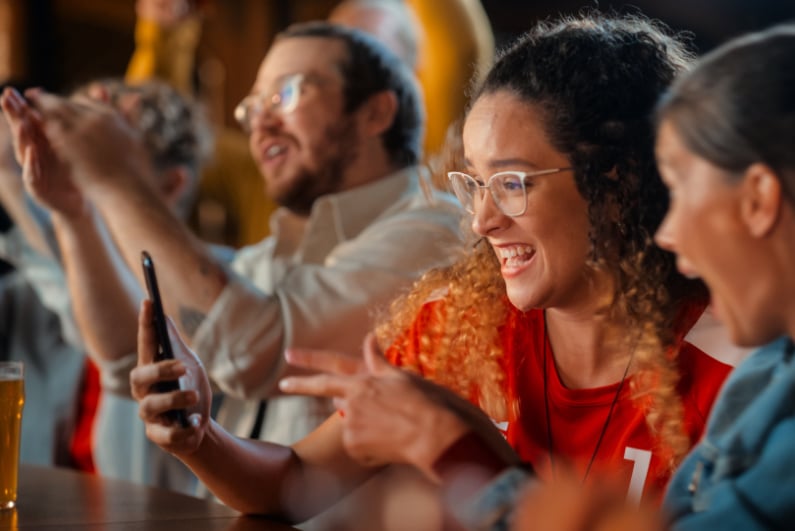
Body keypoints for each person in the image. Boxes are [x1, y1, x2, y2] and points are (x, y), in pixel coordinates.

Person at [128, 12, 731, 528]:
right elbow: (292, 480)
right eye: (475, 184)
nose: (482, 221)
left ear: (616, 183)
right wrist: (199, 435)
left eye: (513, 183)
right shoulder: (461, 324)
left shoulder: (735, 367)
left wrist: (457, 448)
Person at [20, 22, 463, 452]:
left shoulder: (436, 230)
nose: (260, 123)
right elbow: (125, 358)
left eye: (285, 94)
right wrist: (73, 209)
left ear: (376, 112)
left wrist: (116, 178)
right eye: (250, 109)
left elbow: (257, 351)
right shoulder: (269, 258)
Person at [509, 21, 795, 531]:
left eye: (682, 190)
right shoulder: (768, 373)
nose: (667, 232)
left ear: (758, 199)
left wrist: (469, 464)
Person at [0, 78, 220, 493]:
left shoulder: (211, 296)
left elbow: (116, 346)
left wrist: (10, 181)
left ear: (171, 186)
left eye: (96, 160)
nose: (70, 169)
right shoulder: (27, 296)